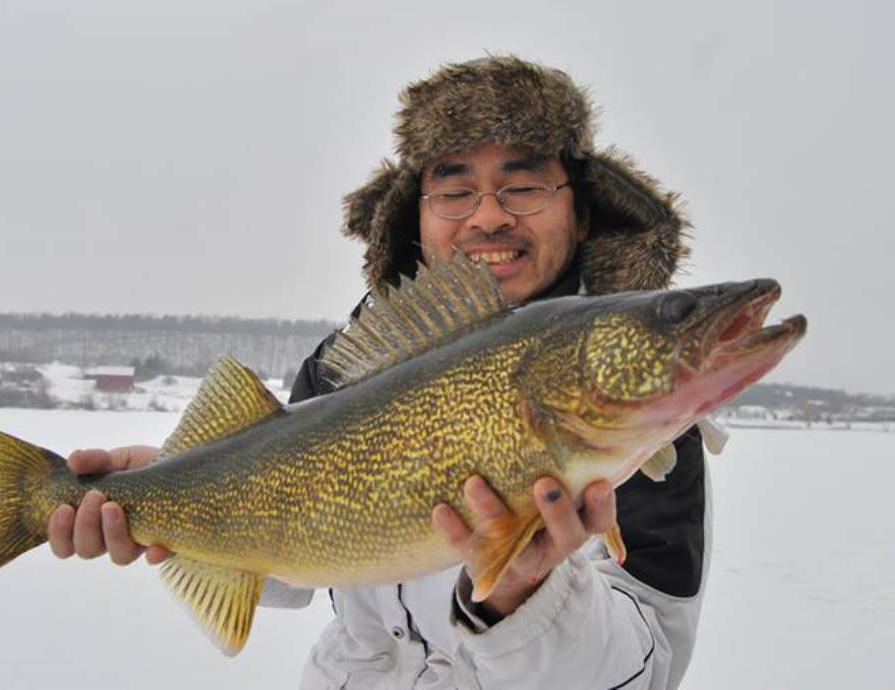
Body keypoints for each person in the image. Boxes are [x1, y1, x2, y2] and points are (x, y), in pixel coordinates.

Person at [48, 56, 708, 689]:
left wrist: (526, 602)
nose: (487, 215)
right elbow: (300, 564)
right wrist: (186, 485)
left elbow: (646, 670)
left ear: (582, 210)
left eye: (525, 184)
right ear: (414, 215)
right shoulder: (349, 369)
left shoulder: (634, 415)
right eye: (453, 190)